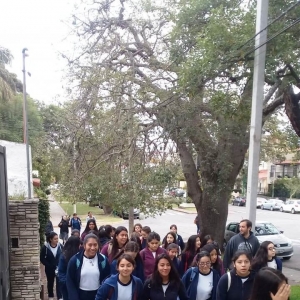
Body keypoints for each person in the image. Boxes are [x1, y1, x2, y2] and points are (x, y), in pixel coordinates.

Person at [66, 233, 110, 300]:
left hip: (98, 295)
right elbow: (70, 281)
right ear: (84, 245)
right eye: (90, 245)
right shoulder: (75, 260)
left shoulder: (103, 260)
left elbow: (107, 278)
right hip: (81, 295)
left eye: (95, 245)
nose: (93, 248)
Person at [40, 231, 63, 300]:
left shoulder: (60, 246)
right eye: (55, 239)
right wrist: (48, 265)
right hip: (49, 269)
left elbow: (64, 255)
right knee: (50, 282)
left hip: (59, 268)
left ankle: (60, 296)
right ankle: (50, 296)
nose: (57, 240)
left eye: (57, 238)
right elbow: (42, 258)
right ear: (51, 239)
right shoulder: (45, 247)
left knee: (59, 282)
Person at [58, 236, 81, 300]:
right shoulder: (64, 256)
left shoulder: (80, 255)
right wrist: (68, 283)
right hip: (67, 286)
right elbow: (61, 271)